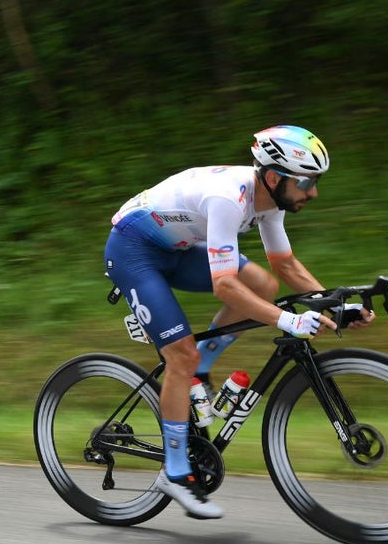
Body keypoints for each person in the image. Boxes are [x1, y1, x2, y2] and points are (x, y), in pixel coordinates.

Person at [103, 125, 374, 519]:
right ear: (273, 177)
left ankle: (203, 365)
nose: (313, 192)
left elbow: (286, 266)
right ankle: (175, 473)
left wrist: (335, 306)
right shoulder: (230, 199)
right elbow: (225, 287)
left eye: (315, 181)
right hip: (133, 250)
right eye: (306, 182)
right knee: (180, 358)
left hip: (176, 248)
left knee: (264, 282)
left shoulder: (270, 200)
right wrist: (289, 320)